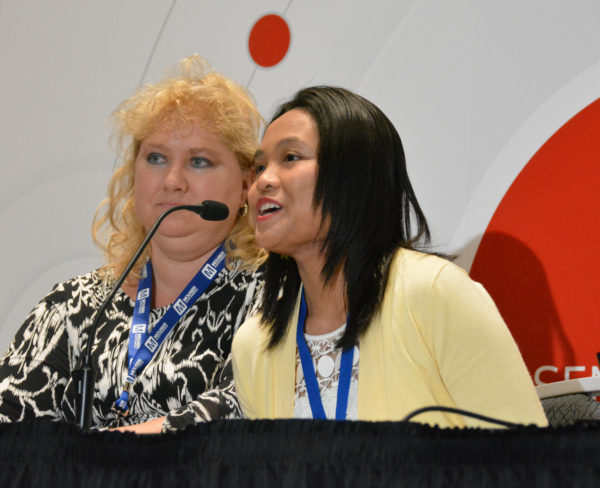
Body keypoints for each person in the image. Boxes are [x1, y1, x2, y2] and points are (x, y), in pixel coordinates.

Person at [232, 86, 548, 428]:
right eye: (260, 166)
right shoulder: (254, 345)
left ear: (353, 177)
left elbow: (530, 462)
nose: (263, 180)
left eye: (290, 157)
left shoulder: (434, 294)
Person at [0, 55, 264, 434]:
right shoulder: (73, 308)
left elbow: (243, 409)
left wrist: (94, 454)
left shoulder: (272, 295)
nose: (172, 180)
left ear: (245, 184)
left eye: (199, 161)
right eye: (155, 158)